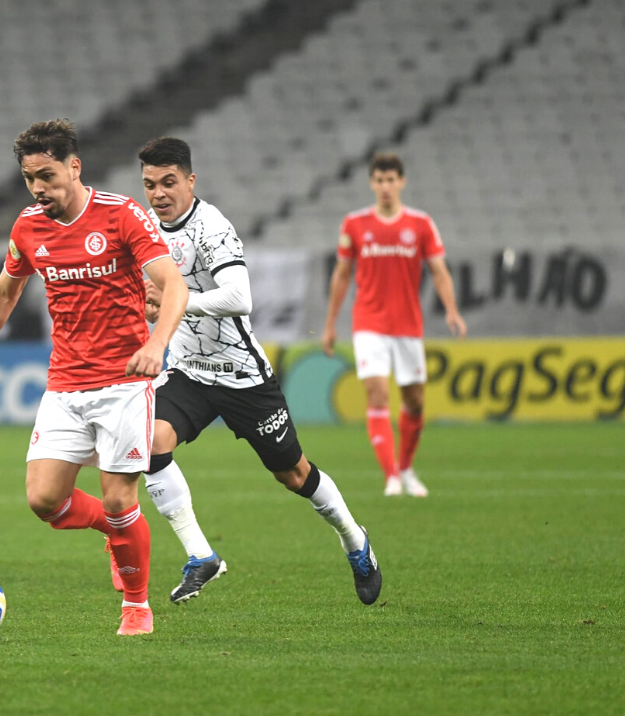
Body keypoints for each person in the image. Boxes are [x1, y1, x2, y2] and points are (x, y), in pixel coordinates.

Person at [0, 119, 188, 636]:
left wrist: (155, 345)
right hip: (65, 384)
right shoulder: (28, 227)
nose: (38, 188)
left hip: (124, 381)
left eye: (47, 175)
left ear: (74, 167)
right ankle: (112, 531)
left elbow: (174, 285)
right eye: (30, 178)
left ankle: (136, 608)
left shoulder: (123, 216)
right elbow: (4, 293)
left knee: (122, 497)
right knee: (43, 501)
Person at [139, 138, 382, 605]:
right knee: (149, 442)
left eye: (169, 182)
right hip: (190, 371)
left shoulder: (212, 228)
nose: (159, 193)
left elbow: (239, 298)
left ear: (190, 180)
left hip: (241, 375)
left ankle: (354, 539)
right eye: (150, 184)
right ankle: (201, 556)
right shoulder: (146, 228)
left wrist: (174, 304)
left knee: (293, 474)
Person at [322, 152, 467, 497]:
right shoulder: (355, 224)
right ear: (372, 183)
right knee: (377, 392)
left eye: (391, 180)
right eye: (379, 180)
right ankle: (391, 477)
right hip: (369, 323)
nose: (385, 186)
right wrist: (330, 324)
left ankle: (405, 467)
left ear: (401, 182)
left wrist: (452, 310)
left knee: (415, 401)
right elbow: (342, 275)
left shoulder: (420, 224)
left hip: (407, 326)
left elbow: (439, 270)